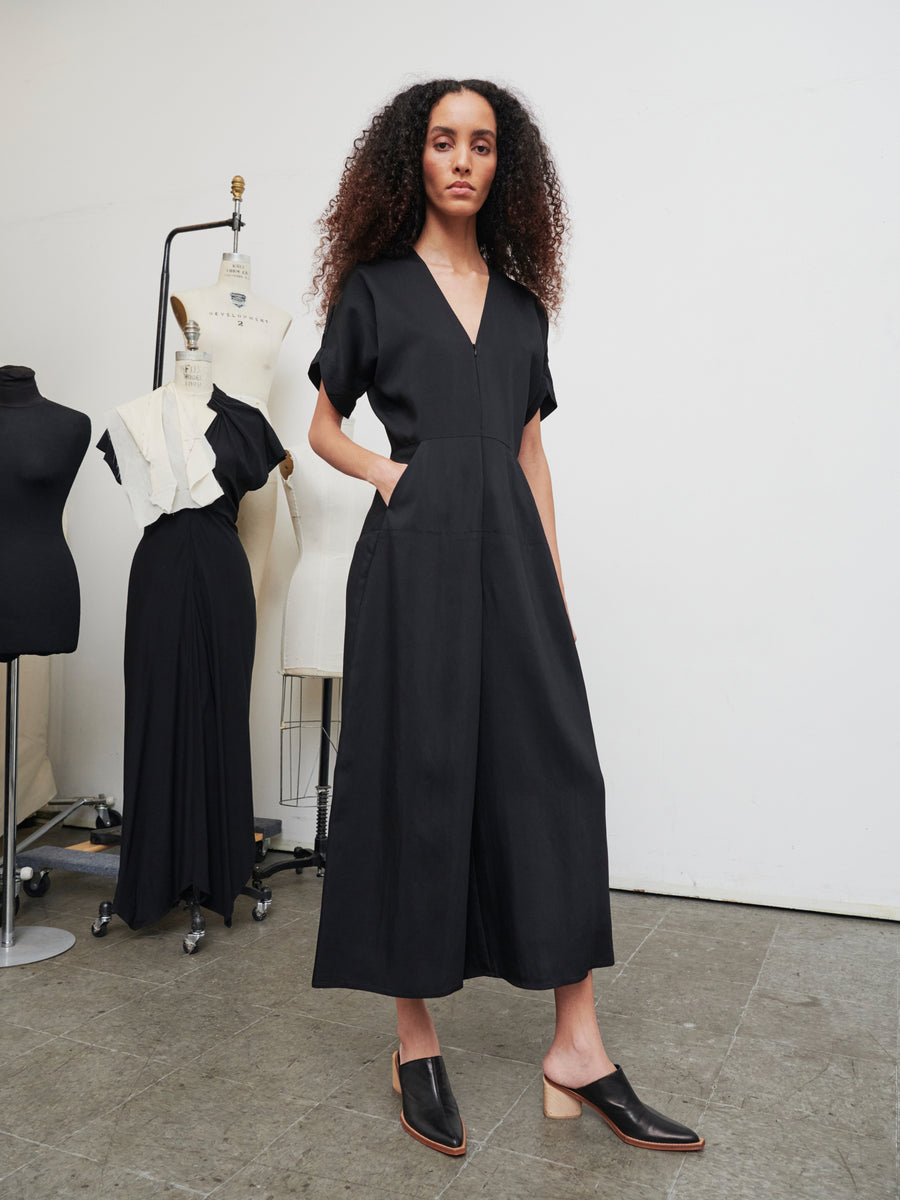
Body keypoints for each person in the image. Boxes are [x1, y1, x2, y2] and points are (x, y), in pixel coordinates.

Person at [307, 78, 704, 1158]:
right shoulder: (374, 291)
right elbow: (321, 427)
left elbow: (532, 452)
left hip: (512, 565)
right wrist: (395, 480)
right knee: (416, 772)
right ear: (413, 160)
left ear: (503, 167)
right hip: (414, 561)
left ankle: (578, 1044)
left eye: (482, 144)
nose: (463, 161)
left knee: (554, 776)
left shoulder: (524, 307)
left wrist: (556, 592)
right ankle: (414, 1035)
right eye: (443, 142)